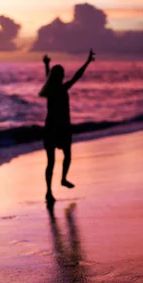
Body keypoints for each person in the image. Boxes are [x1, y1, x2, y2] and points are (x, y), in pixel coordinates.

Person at [39, 49, 95, 204]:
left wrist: (46, 65)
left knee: (50, 162)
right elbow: (78, 75)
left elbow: (47, 77)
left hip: (50, 128)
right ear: (60, 77)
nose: (64, 76)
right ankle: (63, 179)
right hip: (61, 128)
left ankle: (49, 192)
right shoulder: (62, 89)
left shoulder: (49, 90)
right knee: (67, 155)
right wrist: (88, 62)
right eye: (62, 74)